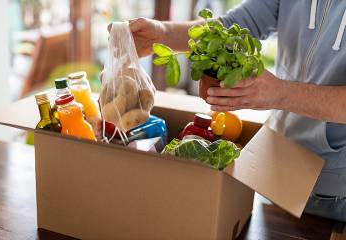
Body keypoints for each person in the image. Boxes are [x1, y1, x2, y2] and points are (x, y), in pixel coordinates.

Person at [111, 1, 346, 221]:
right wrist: (164, 34)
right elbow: (239, 25)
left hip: (338, 188)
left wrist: (280, 93)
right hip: (280, 165)